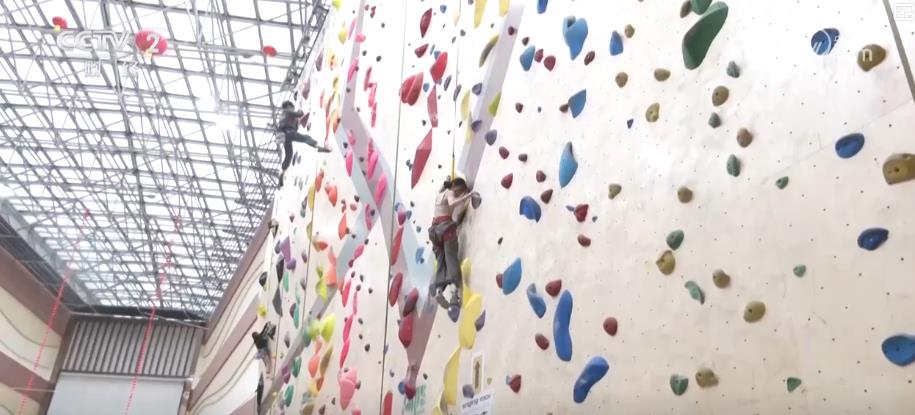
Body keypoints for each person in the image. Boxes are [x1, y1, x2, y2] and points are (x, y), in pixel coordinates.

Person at [428, 174, 476, 309]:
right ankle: (454, 295)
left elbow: (443, 189)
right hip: (446, 229)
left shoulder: (439, 194)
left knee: (441, 261)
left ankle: (439, 290)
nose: (460, 194)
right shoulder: (450, 193)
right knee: (451, 260)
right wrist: (467, 196)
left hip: (434, 231)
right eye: (461, 192)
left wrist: (447, 181)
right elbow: (452, 203)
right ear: (457, 188)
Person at [276, 101, 330, 186]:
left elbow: (294, 124)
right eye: (292, 107)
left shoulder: (283, 115)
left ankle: (282, 173)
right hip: (290, 133)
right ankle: (318, 146)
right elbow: (299, 114)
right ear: (288, 106)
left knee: (289, 155)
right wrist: (300, 111)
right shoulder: (287, 111)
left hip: (285, 136)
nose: (292, 108)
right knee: (306, 138)